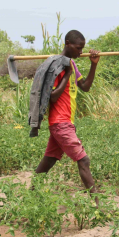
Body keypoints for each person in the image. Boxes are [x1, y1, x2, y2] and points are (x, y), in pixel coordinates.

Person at [35, 30, 100, 203]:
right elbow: (53, 96)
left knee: (49, 161)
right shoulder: (57, 66)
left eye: (82, 49)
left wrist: (93, 64)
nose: (80, 52)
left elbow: (84, 86)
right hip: (60, 123)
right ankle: (99, 207)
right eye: (78, 48)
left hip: (64, 122)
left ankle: (30, 196)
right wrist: (67, 75)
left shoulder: (71, 64)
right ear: (68, 44)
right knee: (83, 160)